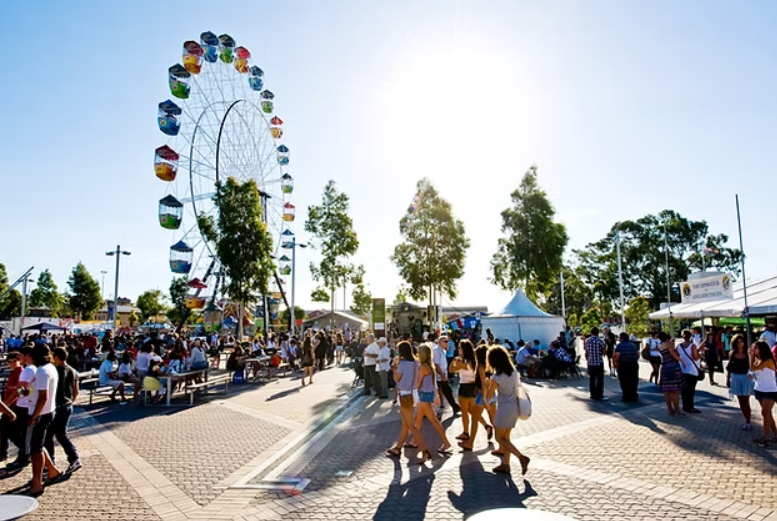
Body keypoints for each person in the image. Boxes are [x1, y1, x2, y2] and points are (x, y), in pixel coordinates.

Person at [485, 345, 530, 475]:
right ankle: (505, 464)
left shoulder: (496, 377)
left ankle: (521, 457)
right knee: (506, 437)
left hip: (504, 408)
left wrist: (488, 384)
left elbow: (489, 395)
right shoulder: (513, 371)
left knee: (499, 438)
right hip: (514, 407)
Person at [26, 344, 64, 496]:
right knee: (39, 446)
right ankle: (53, 471)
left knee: (35, 449)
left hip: (41, 413)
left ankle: (37, 482)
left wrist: (34, 416)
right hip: (46, 411)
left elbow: (43, 397)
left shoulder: (42, 371)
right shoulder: (49, 368)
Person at [385, 341, 431, 463]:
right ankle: (398, 447)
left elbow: (396, 379)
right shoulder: (416, 362)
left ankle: (425, 450)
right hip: (414, 393)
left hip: (405, 394)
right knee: (405, 423)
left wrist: (395, 367)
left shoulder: (403, 364)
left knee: (411, 425)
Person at [406, 344, 452, 454]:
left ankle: (446, 443)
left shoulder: (423, 367)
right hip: (426, 395)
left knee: (433, 421)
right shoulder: (429, 365)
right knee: (419, 419)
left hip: (424, 396)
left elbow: (418, 383)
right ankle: (414, 441)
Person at [44, 347, 81, 473]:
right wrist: (71, 401)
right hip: (67, 406)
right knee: (61, 434)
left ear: (57, 358)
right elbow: (76, 391)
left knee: (48, 435)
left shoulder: (55, 371)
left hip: (57, 406)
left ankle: (50, 464)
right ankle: (73, 458)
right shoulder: (73, 371)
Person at [449, 340, 480, 446]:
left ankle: (466, 432)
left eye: (459, 348)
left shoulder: (463, 362)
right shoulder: (474, 360)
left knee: (465, 412)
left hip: (465, 387)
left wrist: (454, 360)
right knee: (473, 411)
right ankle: (485, 426)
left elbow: (451, 370)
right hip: (474, 386)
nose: (458, 350)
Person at [749, 341, 777, 447]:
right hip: (760, 389)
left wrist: (750, 356)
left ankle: (765, 438)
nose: (753, 349)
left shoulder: (768, 360)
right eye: (753, 347)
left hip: (770, 390)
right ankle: (775, 434)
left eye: (755, 348)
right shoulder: (757, 360)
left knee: (765, 413)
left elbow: (753, 368)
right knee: (767, 414)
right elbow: (754, 371)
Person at [726, 334, 754, 431]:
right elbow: (729, 368)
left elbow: (752, 366)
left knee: (746, 400)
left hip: (745, 377)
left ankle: (748, 421)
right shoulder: (732, 354)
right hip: (735, 377)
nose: (740, 343)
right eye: (738, 342)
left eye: (741, 341)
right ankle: (746, 419)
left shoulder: (748, 353)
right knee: (740, 401)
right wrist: (727, 379)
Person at [0, 352, 21, 463]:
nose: (12, 364)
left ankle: (24, 449)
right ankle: (3, 452)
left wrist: (7, 404)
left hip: (14, 405)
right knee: (3, 430)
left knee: (11, 431)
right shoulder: (13, 373)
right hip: (8, 405)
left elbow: (21, 391)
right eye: (10, 362)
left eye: (14, 361)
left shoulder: (20, 372)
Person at [658, 331, 685, 416]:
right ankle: (677, 410)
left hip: (664, 367)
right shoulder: (668, 343)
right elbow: (673, 354)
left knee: (666, 391)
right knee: (674, 391)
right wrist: (682, 361)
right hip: (673, 366)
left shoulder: (659, 345)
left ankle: (670, 410)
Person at [433, 334, 460, 415]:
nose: (447, 343)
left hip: (443, 375)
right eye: (445, 341)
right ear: (440, 342)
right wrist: (442, 375)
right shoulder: (436, 351)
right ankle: (455, 407)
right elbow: (436, 364)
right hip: (439, 376)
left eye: (447, 341)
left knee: (447, 391)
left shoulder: (443, 351)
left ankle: (455, 407)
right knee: (445, 391)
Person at [677, 329, 702, 414]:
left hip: (682, 369)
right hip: (691, 370)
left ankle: (685, 406)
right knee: (691, 389)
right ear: (690, 336)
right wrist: (701, 354)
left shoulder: (678, 346)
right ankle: (690, 407)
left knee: (684, 389)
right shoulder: (692, 345)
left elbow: (677, 356)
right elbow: (695, 357)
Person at [613, 332, 639, 402]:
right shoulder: (633, 345)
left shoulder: (619, 346)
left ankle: (626, 396)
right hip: (633, 364)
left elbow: (617, 355)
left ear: (621, 338)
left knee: (624, 381)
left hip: (623, 365)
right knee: (633, 380)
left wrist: (615, 363)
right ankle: (634, 395)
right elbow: (637, 354)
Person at [584, 327, 607, 401]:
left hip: (591, 362)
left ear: (591, 332)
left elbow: (586, 350)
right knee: (599, 379)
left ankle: (592, 394)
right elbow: (604, 350)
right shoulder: (600, 340)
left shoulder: (587, 340)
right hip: (598, 362)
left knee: (592, 379)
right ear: (597, 333)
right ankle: (599, 395)